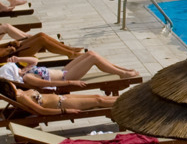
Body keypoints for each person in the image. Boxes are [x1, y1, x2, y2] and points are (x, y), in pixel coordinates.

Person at [0, 50, 139, 90]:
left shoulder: (25, 71)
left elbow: (35, 60)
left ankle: (124, 69)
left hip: (63, 70)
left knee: (90, 53)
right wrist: (71, 83)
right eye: (13, 68)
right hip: (65, 77)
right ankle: (123, 74)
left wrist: (17, 60)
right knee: (93, 59)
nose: (16, 68)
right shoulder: (26, 78)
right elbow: (48, 85)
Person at [6, 83, 118, 120]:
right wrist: (65, 111)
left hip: (62, 98)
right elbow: (41, 110)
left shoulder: (20, 90)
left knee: (97, 96)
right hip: (61, 104)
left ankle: (127, 98)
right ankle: (130, 101)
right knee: (98, 101)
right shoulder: (21, 97)